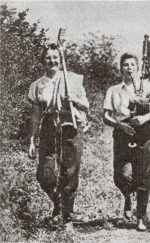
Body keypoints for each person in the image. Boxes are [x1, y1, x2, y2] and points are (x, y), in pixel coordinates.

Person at [103, 53, 150, 231]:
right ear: (121, 68)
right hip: (122, 134)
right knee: (122, 175)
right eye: (125, 65)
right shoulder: (114, 90)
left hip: (143, 134)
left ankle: (141, 216)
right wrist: (120, 125)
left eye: (132, 64)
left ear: (138, 68)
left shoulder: (146, 88)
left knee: (144, 175)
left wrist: (145, 118)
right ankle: (127, 197)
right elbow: (106, 116)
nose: (129, 67)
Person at [28, 43, 89, 224]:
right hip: (49, 126)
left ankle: (66, 216)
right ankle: (59, 204)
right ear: (43, 61)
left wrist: (75, 100)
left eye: (55, 57)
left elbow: (86, 105)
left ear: (61, 59)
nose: (52, 61)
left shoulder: (72, 80)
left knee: (69, 172)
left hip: (71, 125)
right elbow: (36, 115)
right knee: (45, 175)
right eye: (48, 58)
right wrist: (32, 139)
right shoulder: (37, 85)